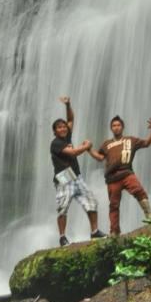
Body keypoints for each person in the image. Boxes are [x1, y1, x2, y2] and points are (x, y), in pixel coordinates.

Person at [50, 96, 106, 246]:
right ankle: (62, 237)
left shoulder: (66, 136)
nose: (63, 128)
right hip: (63, 176)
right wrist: (87, 146)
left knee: (91, 202)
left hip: (76, 175)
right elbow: (73, 153)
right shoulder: (56, 143)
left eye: (63, 127)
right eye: (59, 127)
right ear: (55, 131)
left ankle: (95, 232)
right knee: (63, 206)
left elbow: (71, 119)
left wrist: (68, 105)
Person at [90, 115, 151, 236]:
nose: (116, 128)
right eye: (114, 126)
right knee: (114, 205)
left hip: (126, 173)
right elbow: (100, 157)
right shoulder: (106, 144)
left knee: (139, 191)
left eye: (118, 125)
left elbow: (146, 143)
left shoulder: (131, 140)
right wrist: (89, 150)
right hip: (112, 178)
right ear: (111, 128)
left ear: (122, 127)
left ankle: (149, 216)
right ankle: (114, 232)